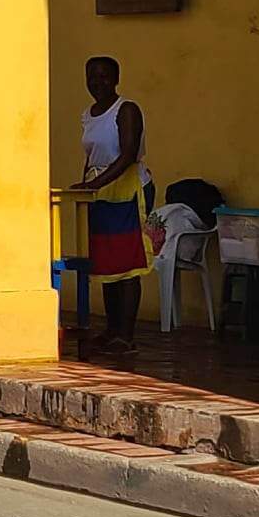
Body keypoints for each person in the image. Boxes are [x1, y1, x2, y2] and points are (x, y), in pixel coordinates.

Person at [80, 55, 155, 351]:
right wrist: (87, 187)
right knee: (108, 263)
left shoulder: (126, 110)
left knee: (128, 262)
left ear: (116, 78)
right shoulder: (88, 114)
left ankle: (127, 333)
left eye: (104, 76)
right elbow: (90, 156)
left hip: (127, 190)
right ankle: (111, 330)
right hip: (101, 193)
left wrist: (95, 184)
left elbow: (127, 155)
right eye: (92, 76)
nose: (97, 82)